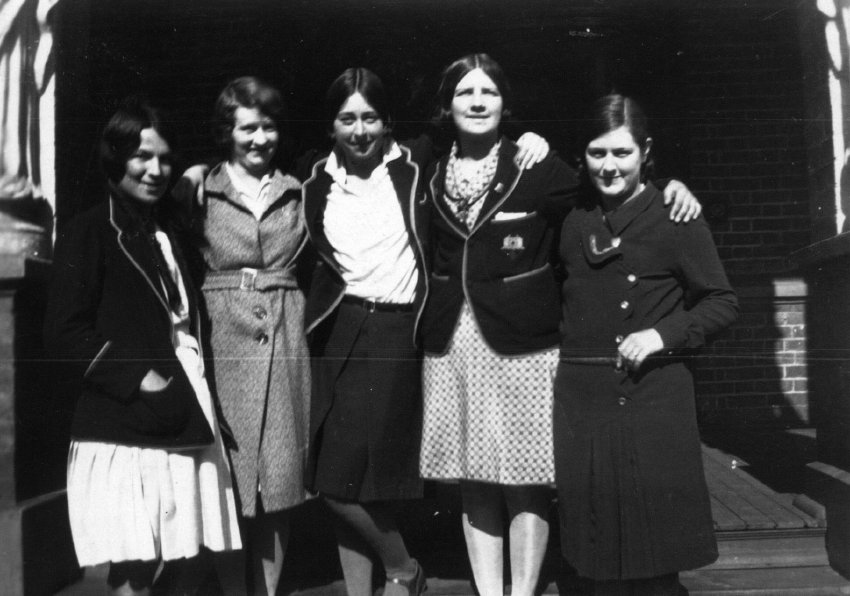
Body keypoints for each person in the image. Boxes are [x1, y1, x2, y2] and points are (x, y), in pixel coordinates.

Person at [415, 54, 702, 596]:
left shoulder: (536, 164)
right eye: (464, 93)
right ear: (446, 105)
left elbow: (610, 184)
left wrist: (671, 187)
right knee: (473, 481)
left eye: (489, 93)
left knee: (524, 481)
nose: (477, 103)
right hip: (453, 340)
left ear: (505, 103)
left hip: (522, 344)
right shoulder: (426, 165)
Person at [43, 98, 241, 596]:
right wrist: (140, 379)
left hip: (186, 402)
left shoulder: (166, 228)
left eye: (165, 159)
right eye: (142, 157)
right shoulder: (88, 231)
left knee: (192, 549)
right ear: (115, 159)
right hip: (127, 417)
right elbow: (64, 333)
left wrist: (196, 171)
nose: (155, 170)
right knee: (135, 560)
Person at [553, 94, 738, 595]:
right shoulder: (571, 219)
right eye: (597, 153)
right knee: (594, 553)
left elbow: (721, 301)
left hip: (653, 397)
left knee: (655, 553)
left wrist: (662, 334)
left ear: (646, 151)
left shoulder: (676, 215)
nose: (609, 166)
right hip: (585, 401)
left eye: (622, 153)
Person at [181, 76, 311, 596]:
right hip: (222, 330)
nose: (260, 139)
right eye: (248, 128)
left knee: (278, 476)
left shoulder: (299, 190)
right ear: (226, 132)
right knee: (227, 474)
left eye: (269, 127)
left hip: (284, 328)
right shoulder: (197, 188)